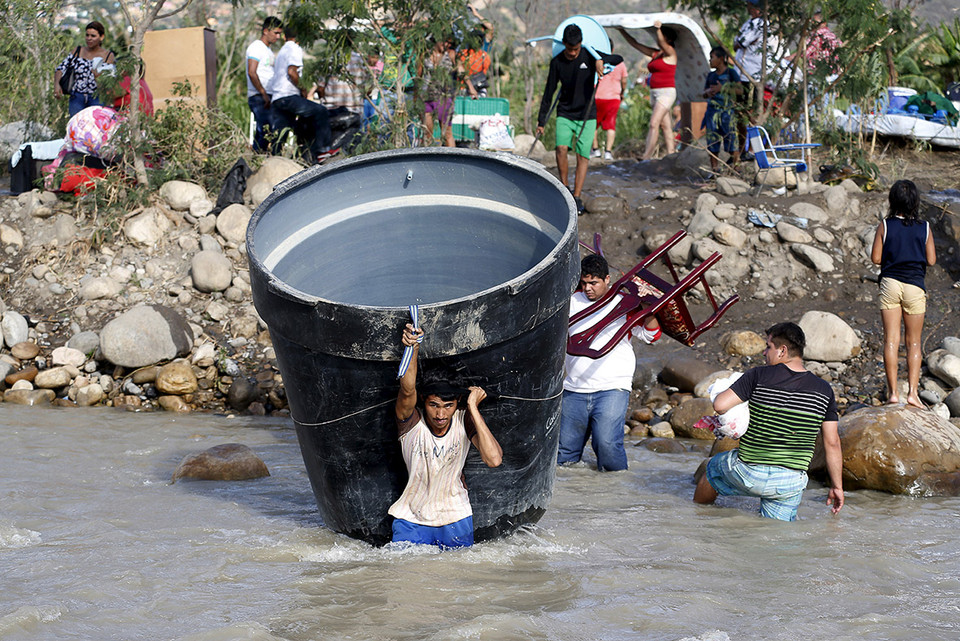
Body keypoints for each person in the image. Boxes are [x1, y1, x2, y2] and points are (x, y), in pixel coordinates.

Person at [694, 323, 844, 521]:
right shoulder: (824, 390)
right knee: (775, 535)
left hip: (748, 471)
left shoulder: (758, 376)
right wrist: (837, 487)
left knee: (712, 470)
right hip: (789, 482)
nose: (765, 353)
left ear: (782, 350)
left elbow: (720, 405)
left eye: (768, 346)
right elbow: (832, 443)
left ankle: (698, 520)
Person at [389, 323, 503, 549]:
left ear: (457, 403)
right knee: (403, 577)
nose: (441, 414)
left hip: (455, 517)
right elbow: (408, 390)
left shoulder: (463, 419)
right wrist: (413, 348)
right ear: (424, 401)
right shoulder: (411, 422)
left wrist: (473, 407)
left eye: (448, 406)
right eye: (434, 405)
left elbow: (494, 460)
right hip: (411, 517)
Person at [558, 254, 662, 472]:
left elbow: (650, 335)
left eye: (594, 283)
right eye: (584, 283)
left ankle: (616, 496)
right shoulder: (570, 302)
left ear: (607, 279)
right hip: (574, 387)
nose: (588, 288)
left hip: (612, 387)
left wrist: (648, 306)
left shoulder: (623, 303)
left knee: (607, 446)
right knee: (564, 454)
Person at [870, 180, 937, 408]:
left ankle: (893, 394)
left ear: (892, 200)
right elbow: (931, 260)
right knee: (914, 343)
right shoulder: (924, 227)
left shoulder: (885, 225)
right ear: (915, 202)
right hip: (914, 286)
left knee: (891, 340)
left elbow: (876, 258)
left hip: (890, 284)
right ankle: (913, 394)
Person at [536, 24, 612, 215]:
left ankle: (576, 197)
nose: (573, 53)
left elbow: (617, 59)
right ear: (564, 44)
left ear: (581, 45)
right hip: (565, 112)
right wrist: (541, 121)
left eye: (576, 49)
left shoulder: (590, 56)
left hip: (587, 114)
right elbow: (549, 92)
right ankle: (565, 188)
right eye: (570, 49)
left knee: (582, 156)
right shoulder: (557, 62)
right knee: (561, 148)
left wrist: (601, 61)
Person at [268, 25, 339, 163]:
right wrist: (303, 89)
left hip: (277, 98)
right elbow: (292, 72)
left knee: (282, 131)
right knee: (320, 111)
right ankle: (323, 150)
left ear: (284, 37)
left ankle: (274, 158)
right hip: (288, 95)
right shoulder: (294, 48)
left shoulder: (282, 50)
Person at [617, 22, 677, 161]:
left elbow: (662, 43)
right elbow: (636, 44)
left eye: (662, 36)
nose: (658, 38)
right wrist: (622, 31)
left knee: (653, 123)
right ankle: (671, 153)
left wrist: (658, 29)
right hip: (654, 92)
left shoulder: (671, 53)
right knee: (665, 125)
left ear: (668, 39)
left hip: (666, 93)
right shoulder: (656, 54)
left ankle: (646, 156)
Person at [54, 21, 116, 117]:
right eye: (87, 35)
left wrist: (98, 77)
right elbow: (61, 68)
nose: (89, 38)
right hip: (77, 97)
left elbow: (110, 81)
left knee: (95, 127)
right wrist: (56, 85)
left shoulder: (108, 56)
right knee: (77, 125)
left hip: (97, 98)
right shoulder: (78, 51)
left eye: (93, 36)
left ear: (101, 37)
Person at [246, 16, 283, 153]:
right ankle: (257, 158)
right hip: (258, 96)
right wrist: (263, 93)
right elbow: (252, 72)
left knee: (265, 131)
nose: (278, 37)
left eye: (280, 33)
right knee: (266, 131)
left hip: (267, 95)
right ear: (266, 31)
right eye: (276, 33)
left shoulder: (268, 50)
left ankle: (257, 157)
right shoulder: (256, 47)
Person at [702, 46, 741, 172]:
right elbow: (703, 93)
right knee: (712, 140)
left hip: (727, 112)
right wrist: (708, 92)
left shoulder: (731, 73)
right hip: (712, 112)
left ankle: (735, 167)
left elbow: (740, 91)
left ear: (720, 59)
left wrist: (723, 89)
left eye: (712, 58)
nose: (710, 61)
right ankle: (714, 170)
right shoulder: (711, 76)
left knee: (731, 139)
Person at [419, 36, 460, 147]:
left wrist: (469, 87)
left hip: (444, 97)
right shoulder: (426, 55)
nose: (446, 44)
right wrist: (416, 97)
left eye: (448, 42)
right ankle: (425, 159)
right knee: (427, 132)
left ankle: (452, 160)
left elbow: (461, 71)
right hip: (427, 96)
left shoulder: (451, 55)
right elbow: (419, 76)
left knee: (447, 132)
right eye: (444, 41)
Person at [590, 43, 627, 161]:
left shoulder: (596, 60)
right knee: (611, 125)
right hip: (614, 98)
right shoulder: (620, 64)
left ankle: (595, 150)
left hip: (598, 97)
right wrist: (622, 92)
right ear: (613, 49)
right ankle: (608, 152)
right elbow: (624, 80)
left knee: (593, 125)